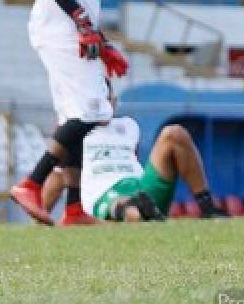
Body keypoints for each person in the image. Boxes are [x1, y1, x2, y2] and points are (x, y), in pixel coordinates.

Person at [10, 0, 128, 227]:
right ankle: (32, 182)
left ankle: (74, 209)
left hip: (70, 30)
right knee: (94, 110)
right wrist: (79, 20)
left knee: (75, 114)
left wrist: (101, 41)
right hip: (63, 30)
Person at [43, 82, 228, 221]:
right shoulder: (73, 131)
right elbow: (58, 175)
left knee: (174, 133)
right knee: (124, 205)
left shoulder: (129, 126)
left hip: (140, 185)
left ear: (113, 101)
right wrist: (40, 215)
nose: (103, 105)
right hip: (104, 193)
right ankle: (136, 214)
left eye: (106, 98)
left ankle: (208, 208)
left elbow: (134, 159)